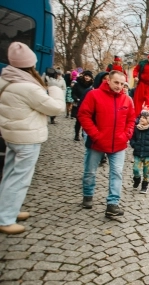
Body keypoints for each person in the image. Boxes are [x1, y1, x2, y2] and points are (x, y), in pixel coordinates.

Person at [0, 42, 65, 234]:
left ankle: (8, 209)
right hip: (26, 137)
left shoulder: (6, 79)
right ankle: (5, 219)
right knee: (20, 178)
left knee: (9, 174)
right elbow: (55, 108)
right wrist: (55, 90)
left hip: (11, 134)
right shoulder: (27, 87)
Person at [77, 70, 135, 217]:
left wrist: (126, 135)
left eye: (122, 84)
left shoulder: (127, 100)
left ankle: (112, 204)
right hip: (97, 142)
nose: (119, 86)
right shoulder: (94, 95)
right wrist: (96, 135)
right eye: (116, 82)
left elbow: (131, 120)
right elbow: (84, 115)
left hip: (118, 144)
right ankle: (88, 196)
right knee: (90, 171)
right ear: (108, 80)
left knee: (117, 173)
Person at [71, 70, 94, 141]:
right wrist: (77, 99)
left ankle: (84, 133)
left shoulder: (92, 86)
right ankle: (76, 134)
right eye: (86, 76)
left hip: (88, 105)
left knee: (87, 120)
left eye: (89, 76)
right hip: (79, 104)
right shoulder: (78, 84)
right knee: (79, 120)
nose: (87, 77)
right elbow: (73, 93)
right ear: (84, 76)